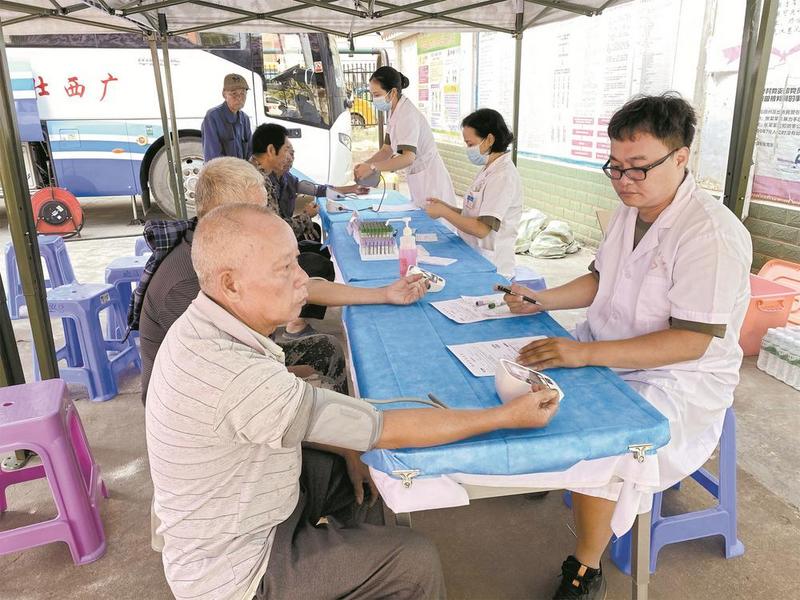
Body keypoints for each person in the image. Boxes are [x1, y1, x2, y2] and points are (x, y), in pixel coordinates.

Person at [146, 202, 560, 600]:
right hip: (238, 568)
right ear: (230, 284)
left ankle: (358, 569)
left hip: (252, 503)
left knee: (363, 476)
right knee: (413, 561)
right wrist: (504, 416)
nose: (302, 280)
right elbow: (382, 427)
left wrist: (349, 446)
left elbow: (291, 417)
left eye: (296, 263)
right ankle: (374, 571)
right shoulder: (233, 374)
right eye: (285, 268)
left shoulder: (208, 324)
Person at [502, 94, 752, 599]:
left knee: (605, 440)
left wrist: (583, 355)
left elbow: (690, 341)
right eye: (614, 167)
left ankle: (586, 566)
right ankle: (550, 462)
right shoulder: (628, 210)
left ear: (681, 158)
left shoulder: (710, 234)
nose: (623, 180)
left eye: (638, 167)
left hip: (678, 377)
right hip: (608, 348)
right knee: (516, 368)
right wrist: (541, 298)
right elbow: (601, 279)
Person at [137, 157, 427, 405]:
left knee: (327, 351)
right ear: (224, 216)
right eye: (259, 212)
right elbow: (217, 382)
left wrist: (383, 293)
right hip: (203, 402)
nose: (270, 220)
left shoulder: (232, 249)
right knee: (336, 429)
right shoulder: (188, 283)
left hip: (247, 364)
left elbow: (305, 286)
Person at [250, 122, 366, 339]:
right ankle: (295, 323)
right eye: (287, 150)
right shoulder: (257, 182)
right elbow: (275, 230)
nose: (291, 157)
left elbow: (316, 189)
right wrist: (306, 217)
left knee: (320, 249)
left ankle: (297, 316)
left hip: (271, 249)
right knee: (318, 264)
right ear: (271, 150)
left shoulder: (279, 177)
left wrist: (351, 189)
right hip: (262, 258)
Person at [425, 108, 523, 277]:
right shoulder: (490, 169)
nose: (468, 149)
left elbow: (481, 228)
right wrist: (446, 207)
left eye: (470, 144)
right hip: (474, 255)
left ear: (490, 139)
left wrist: (444, 212)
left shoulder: (503, 176)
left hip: (492, 265)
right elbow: (474, 214)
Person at [353, 66, 458, 209]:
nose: (374, 99)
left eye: (377, 95)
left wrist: (372, 167)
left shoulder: (407, 115)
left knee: (438, 220)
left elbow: (407, 158)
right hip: (420, 181)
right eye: (372, 95)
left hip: (432, 183)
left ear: (393, 92)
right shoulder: (395, 112)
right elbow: (386, 150)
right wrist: (364, 166)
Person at [201, 73, 252, 161]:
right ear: (224, 95)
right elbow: (213, 158)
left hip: (242, 168)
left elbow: (250, 152)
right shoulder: (212, 117)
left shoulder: (245, 119)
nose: (239, 98)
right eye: (234, 93)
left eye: (243, 93)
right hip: (220, 169)